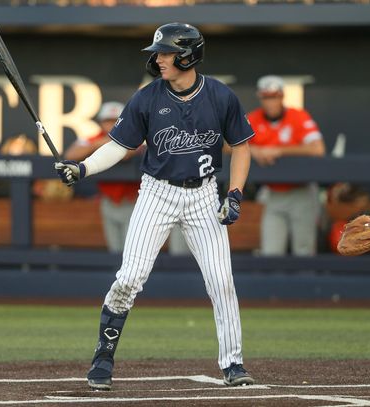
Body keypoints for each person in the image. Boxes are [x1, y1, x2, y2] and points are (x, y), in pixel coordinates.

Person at [56, 23, 255, 390]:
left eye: (165, 53)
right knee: (129, 278)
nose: (158, 59)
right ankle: (103, 357)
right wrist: (83, 168)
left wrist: (236, 193)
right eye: (159, 53)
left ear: (188, 55)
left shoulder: (220, 96)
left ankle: (233, 363)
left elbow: (241, 145)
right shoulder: (147, 98)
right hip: (157, 193)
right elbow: (119, 146)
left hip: (203, 194)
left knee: (222, 282)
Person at [248, 75, 326, 256]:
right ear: (260, 98)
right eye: (266, 97)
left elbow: (317, 148)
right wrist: (254, 150)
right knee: (271, 252)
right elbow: (227, 145)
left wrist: (279, 150)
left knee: (304, 250)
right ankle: (273, 285)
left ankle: (307, 284)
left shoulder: (297, 116)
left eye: (274, 96)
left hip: (301, 191)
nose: (271, 102)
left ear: (282, 96)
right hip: (273, 193)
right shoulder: (254, 119)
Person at [64, 102, 141, 253]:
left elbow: (127, 153)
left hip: (132, 201)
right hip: (108, 200)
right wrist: (95, 145)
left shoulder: (134, 134)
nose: (111, 124)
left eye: (115, 120)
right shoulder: (94, 138)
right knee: (114, 250)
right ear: (101, 122)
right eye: (107, 120)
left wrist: (99, 145)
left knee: (131, 252)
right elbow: (71, 154)